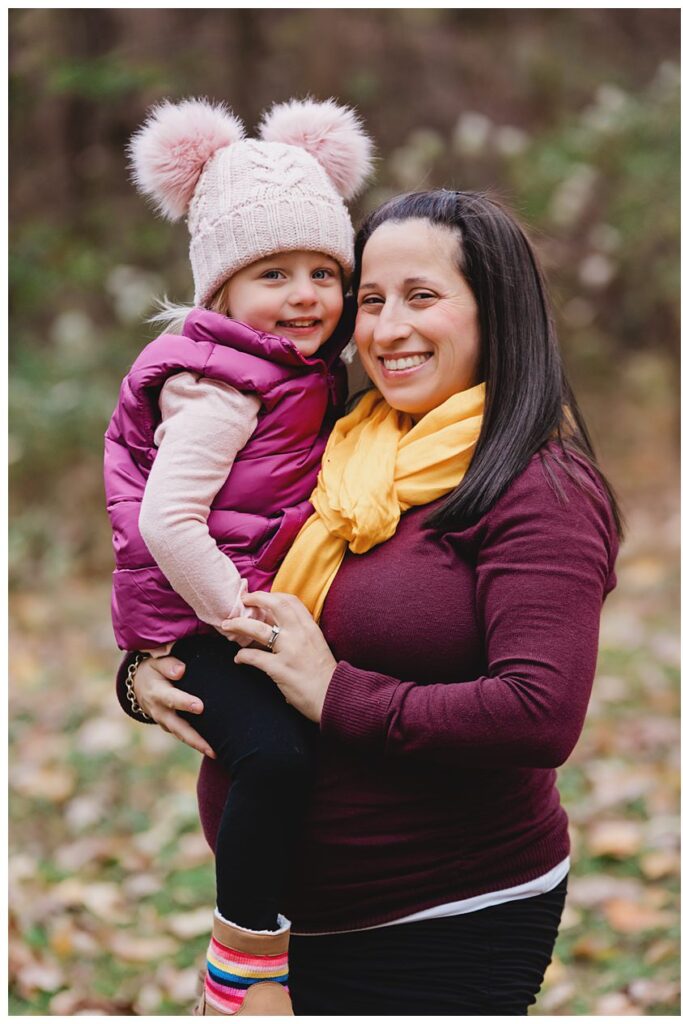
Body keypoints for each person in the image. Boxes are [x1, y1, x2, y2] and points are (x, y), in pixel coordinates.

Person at [120, 189, 621, 1015]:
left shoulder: (540, 490)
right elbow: (228, 572)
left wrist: (333, 693)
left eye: (421, 297)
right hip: (285, 933)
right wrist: (145, 673)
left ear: (495, 310)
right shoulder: (342, 441)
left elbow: (539, 715)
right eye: (371, 300)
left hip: (443, 926)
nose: (387, 330)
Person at [105, 96, 373, 1016]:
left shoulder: (298, 370)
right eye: (273, 273)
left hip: (232, 599)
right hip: (206, 613)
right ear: (221, 288)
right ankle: (241, 956)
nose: (305, 295)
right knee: (273, 759)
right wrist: (245, 618)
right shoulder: (217, 382)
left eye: (321, 272)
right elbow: (168, 521)